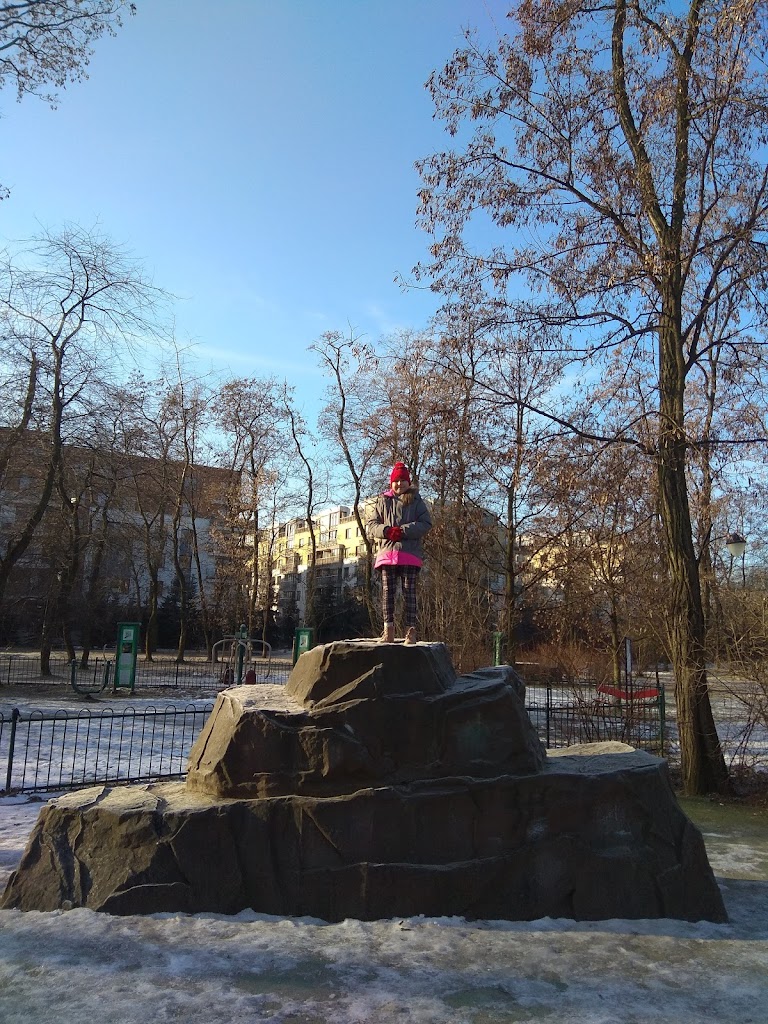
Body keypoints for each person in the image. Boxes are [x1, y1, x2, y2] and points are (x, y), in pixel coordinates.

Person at [366, 461, 432, 644]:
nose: (399, 484)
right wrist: (387, 531)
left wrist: (403, 530)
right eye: (396, 481)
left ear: (408, 482)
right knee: (388, 593)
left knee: (409, 592)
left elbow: (426, 524)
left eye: (403, 481)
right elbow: (372, 524)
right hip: (387, 554)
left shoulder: (417, 501)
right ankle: (388, 630)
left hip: (409, 554)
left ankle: (410, 631)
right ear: (391, 482)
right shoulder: (382, 500)